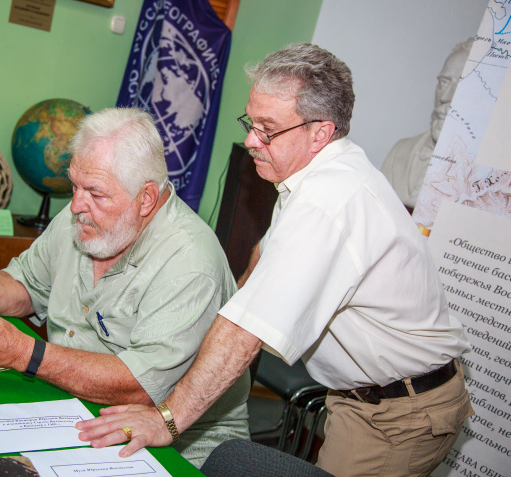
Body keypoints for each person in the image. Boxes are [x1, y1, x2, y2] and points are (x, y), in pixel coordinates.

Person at [76, 44, 474, 477]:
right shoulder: (308, 176)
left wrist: (165, 419)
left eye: (267, 129)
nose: (250, 140)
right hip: (362, 398)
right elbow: (263, 258)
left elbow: (245, 335)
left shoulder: (328, 201)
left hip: (400, 412)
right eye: (251, 121)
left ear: (320, 132)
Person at [0, 107, 249, 468]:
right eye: (74, 185)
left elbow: (139, 386)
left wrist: (23, 353)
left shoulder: (190, 263)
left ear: (146, 198)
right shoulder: (84, 213)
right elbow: (27, 284)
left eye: (95, 193)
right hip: (73, 406)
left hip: (174, 446)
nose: (75, 205)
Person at [381, 38, 473, 210]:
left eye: (461, 85)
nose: (445, 96)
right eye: (444, 83)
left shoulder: (482, 176)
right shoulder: (401, 150)